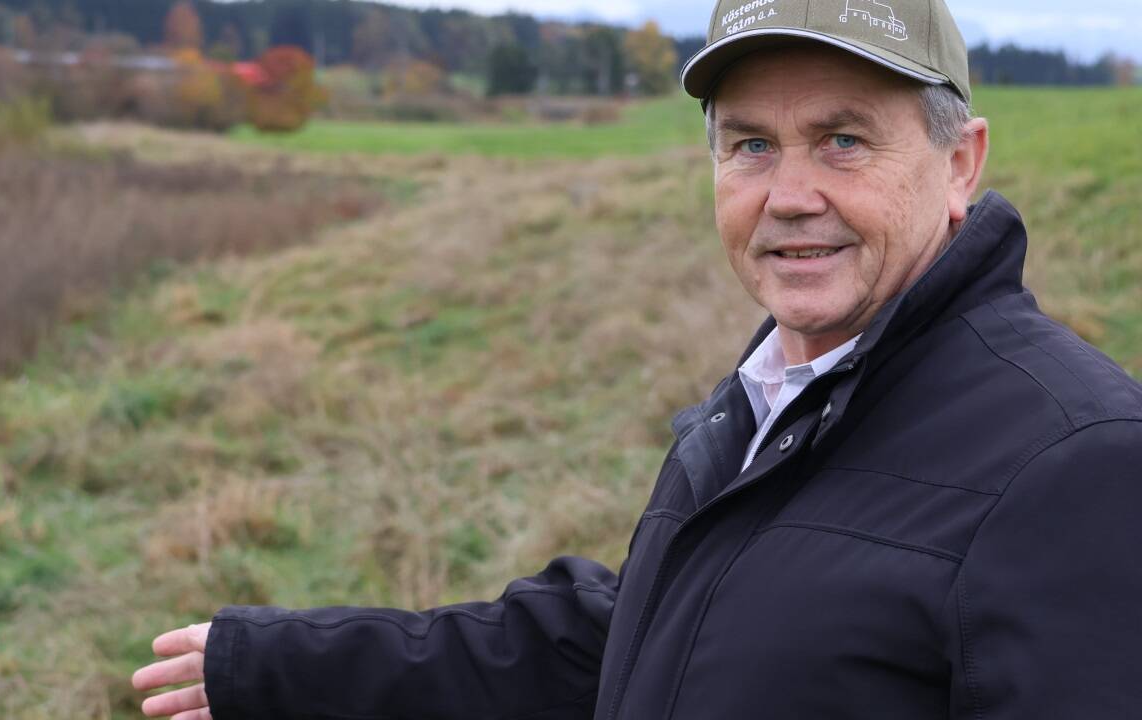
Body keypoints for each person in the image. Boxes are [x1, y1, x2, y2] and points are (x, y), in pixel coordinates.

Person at [132, 1, 1142, 718]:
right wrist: (288, 669)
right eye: (748, 145)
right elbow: (641, 644)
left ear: (959, 162)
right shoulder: (775, 397)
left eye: (840, 140)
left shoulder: (1076, 460)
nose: (788, 194)